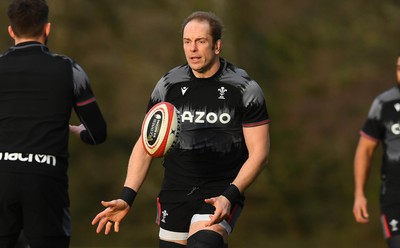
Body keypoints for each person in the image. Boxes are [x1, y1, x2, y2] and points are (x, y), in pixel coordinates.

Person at [92, 11, 270, 248]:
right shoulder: (168, 85)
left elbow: (259, 153)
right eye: (187, 42)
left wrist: (230, 195)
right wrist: (127, 197)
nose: (192, 49)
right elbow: (147, 144)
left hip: (219, 191)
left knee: (205, 243)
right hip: (175, 192)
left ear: (217, 46)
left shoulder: (245, 88)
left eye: (201, 41)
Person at [0, 0, 107, 247]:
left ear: (11, 30)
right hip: (45, 180)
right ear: (47, 29)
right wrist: (75, 130)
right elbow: (97, 133)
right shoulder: (69, 70)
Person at [353, 56, 400, 248]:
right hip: (394, 196)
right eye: (398, 68)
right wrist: (359, 193)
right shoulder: (383, 104)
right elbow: (365, 150)